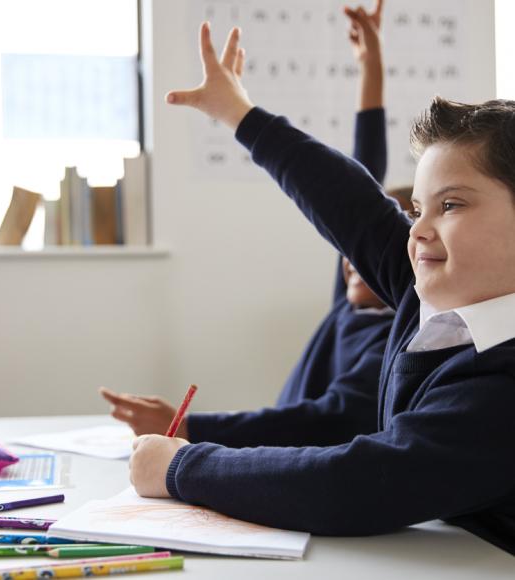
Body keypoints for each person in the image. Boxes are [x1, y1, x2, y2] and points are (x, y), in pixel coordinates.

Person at [125, 6, 515, 555]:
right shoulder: (427, 295)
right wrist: (240, 112)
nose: (418, 229)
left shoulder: (502, 387)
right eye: (418, 209)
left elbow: (359, 483)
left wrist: (184, 466)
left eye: (450, 205)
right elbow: (349, 201)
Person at [101, 1, 409, 449]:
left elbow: (324, 421)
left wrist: (193, 429)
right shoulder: (351, 302)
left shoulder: (393, 343)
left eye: (366, 249)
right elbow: (362, 178)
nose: (349, 261)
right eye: (349, 251)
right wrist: (372, 69)